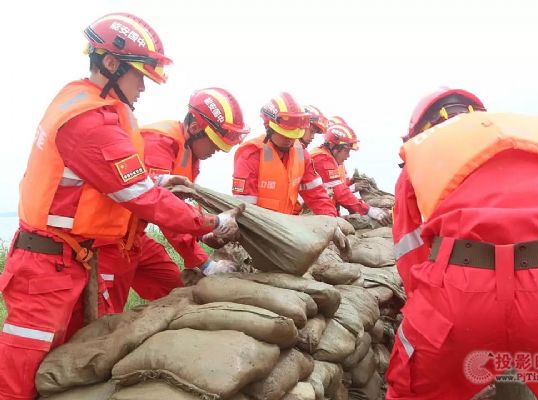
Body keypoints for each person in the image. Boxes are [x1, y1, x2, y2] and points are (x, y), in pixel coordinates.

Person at [0, 14, 240, 400]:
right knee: (23, 372)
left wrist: (159, 182)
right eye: (139, 75)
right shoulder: (91, 120)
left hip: (70, 259)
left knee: (67, 363)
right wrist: (210, 223)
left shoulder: (95, 107)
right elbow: (139, 197)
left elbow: (119, 179)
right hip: (47, 266)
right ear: (111, 64)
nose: (143, 86)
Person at [386, 87, 538, 399]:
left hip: (459, 295)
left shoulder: (424, 154)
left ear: (423, 127)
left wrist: (427, 308)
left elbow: (410, 247)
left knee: (412, 391)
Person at [98, 87, 249, 312]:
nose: (218, 149)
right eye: (215, 142)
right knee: (106, 313)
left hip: (135, 239)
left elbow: (180, 206)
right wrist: (205, 262)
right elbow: (162, 210)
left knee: (175, 290)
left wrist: (202, 233)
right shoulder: (160, 143)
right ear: (195, 128)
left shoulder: (188, 153)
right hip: (109, 241)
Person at [232, 92, 338, 216]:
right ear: (269, 128)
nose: (290, 140)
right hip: (258, 225)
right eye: (285, 134)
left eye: (294, 135)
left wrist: (332, 220)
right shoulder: (251, 154)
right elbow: (245, 209)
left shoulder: (301, 154)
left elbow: (317, 196)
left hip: (287, 223)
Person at [311, 123, 391, 224]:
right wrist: (369, 210)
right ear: (335, 147)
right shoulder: (322, 160)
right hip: (314, 214)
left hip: (323, 212)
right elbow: (341, 193)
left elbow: (340, 187)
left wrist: (352, 183)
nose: (348, 156)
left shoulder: (325, 157)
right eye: (347, 151)